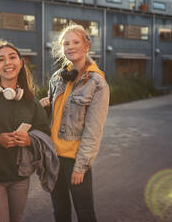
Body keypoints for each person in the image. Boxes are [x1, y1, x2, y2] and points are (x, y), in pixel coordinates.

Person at [0, 39, 54, 222]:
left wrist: (29, 140)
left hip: (20, 176)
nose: (8, 63)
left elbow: (44, 132)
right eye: (1, 59)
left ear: (20, 63)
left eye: (12, 57)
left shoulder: (29, 99)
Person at [40, 24, 109, 222]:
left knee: (85, 215)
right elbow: (53, 119)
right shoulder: (58, 78)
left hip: (75, 161)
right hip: (53, 158)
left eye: (75, 42)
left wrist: (81, 166)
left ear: (87, 45)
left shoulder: (97, 84)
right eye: (66, 43)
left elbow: (93, 131)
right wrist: (45, 106)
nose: (70, 47)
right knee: (60, 214)